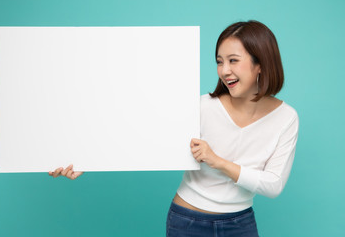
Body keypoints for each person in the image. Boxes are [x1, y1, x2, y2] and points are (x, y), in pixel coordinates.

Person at [49, 20, 299, 237]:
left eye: (233, 61)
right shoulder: (201, 107)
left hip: (240, 223)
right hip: (187, 221)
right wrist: (84, 160)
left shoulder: (286, 118)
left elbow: (273, 185)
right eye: (219, 61)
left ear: (261, 64)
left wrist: (217, 161)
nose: (224, 71)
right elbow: (137, 136)